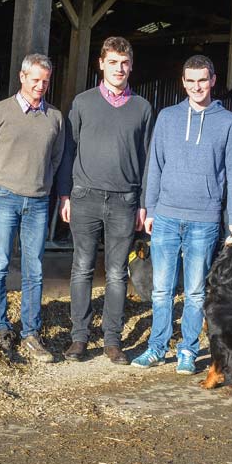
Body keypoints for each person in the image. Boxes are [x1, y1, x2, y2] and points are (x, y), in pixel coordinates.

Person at [130, 55, 232, 374]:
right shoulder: (167, 117)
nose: (197, 86)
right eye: (191, 80)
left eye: (202, 80)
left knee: (195, 291)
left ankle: (187, 350)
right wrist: (150, 207)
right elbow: (154, 164)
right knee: (161, 289)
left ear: (213, 80)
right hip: (166, 214)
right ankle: (156, 347)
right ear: (183, 82)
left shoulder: (229, 122)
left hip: (204, 218)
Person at [57, 37, 154, 364]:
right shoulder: (83, 103)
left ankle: (113, 341)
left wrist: (143, 202)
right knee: (82, 268)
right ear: (101, 64)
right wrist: (65, 193)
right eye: (113, 62)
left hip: (125, 200)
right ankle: (79, 338)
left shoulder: (142, 107)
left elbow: (146, 157)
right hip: (84, 196)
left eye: (124, 63)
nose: (119, 69)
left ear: (131, 66)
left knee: (116, 272)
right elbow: (68, 150)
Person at [0, 53, 65, 363]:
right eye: (35, 80)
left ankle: (31, 333)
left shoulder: (54, 117)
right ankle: (0, 327)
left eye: (45, 81)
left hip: (37, 200)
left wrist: (43, 185)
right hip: (4, 196)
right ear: (22, 77)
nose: (40, 86)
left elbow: (56, 157)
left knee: (34, 268)